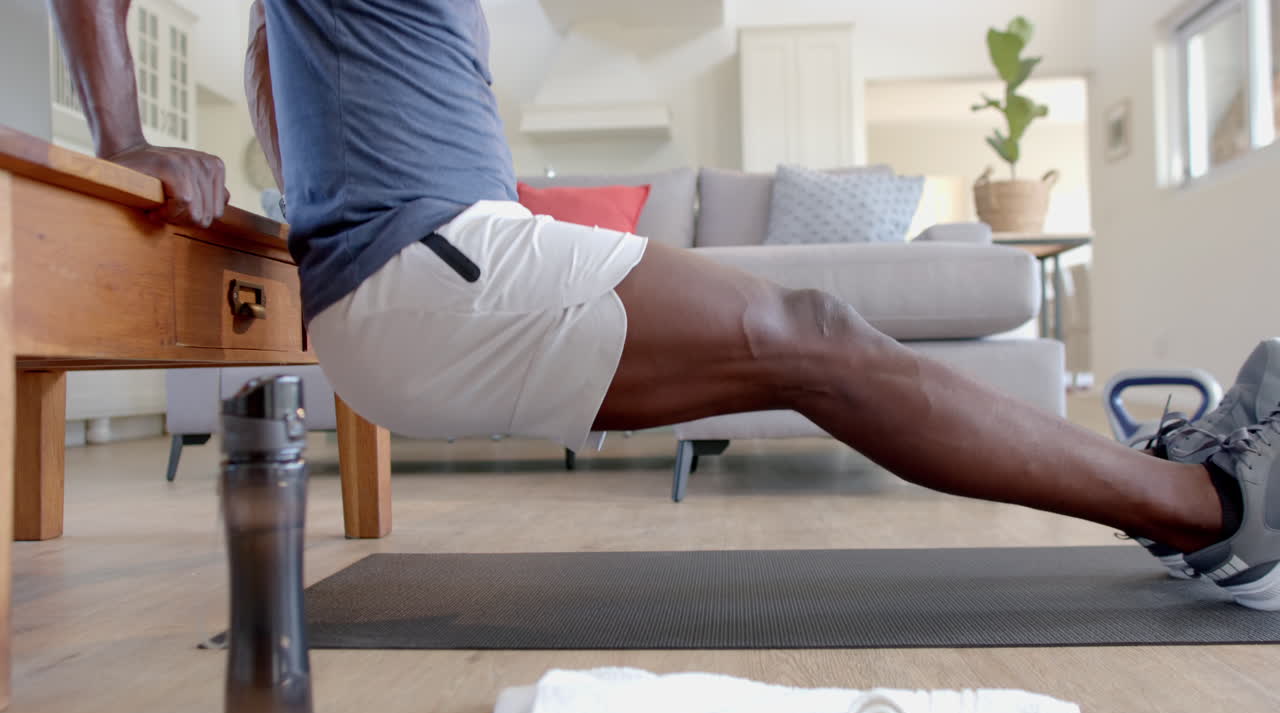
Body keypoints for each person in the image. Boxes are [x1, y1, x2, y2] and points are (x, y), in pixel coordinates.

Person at [49, 0, 1280, 610]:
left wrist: (315, 204)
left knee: (813, 339)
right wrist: (126, 137)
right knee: (815, 334)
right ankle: (1210, 506)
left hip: (436, 259)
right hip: (430, 263)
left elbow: (268, 55)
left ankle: (1176, 491)